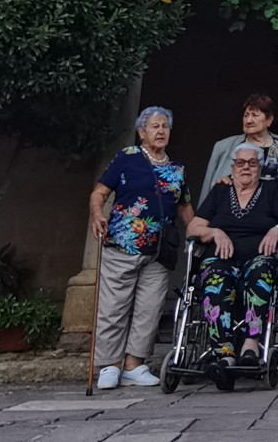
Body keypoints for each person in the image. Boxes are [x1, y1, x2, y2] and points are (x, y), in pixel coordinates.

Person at [88, 106, 194, 390]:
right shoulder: (128, 157)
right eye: (155, 126)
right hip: (124, 244)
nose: (160, 131)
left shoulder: (176, 169)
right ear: (141, 132)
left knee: (150, 308)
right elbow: (100, 192)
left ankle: (134, 364)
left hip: (160, 250)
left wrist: (197, 232)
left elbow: (184, 206)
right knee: (114, 306)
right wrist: (97, 213)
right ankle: (109, 364)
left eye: (165, 126)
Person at [186, 141, 278, 390]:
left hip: (258, 257)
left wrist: (276, 229)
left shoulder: (271, 191)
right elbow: (193, 227)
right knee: (215, 282)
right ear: (232, 166)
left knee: (260, 274)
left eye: (252, 163)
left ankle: (251, 343)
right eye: (240, 163)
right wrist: (215, 232)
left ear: (260, 167)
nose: (246, 167)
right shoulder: (219, 192)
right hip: (221, 258)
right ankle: (224, 354)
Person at [200, 93, 278, 206]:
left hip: (277, 217)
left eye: (255, 115)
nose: (248, 120)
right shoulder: (223, 146)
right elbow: (207, 189)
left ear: (269, 120)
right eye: (246, 115)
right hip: (232, 216)